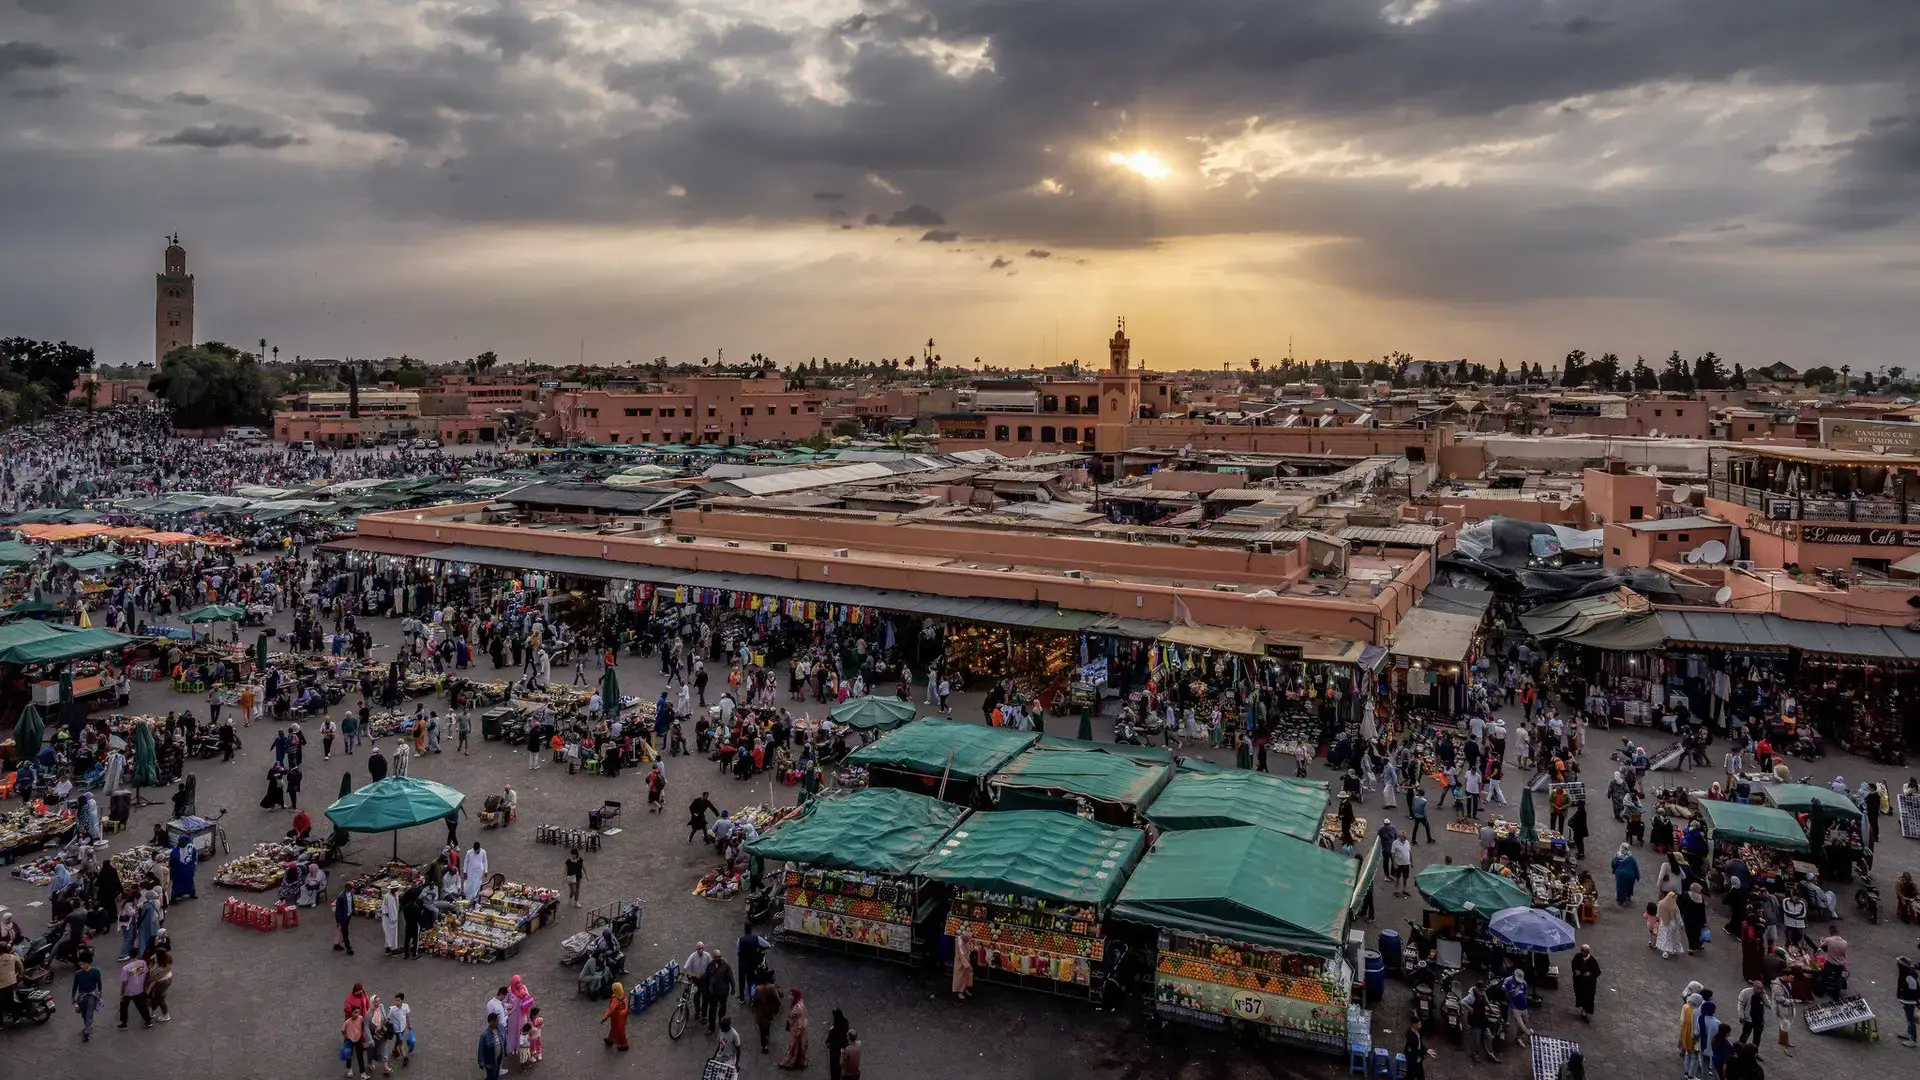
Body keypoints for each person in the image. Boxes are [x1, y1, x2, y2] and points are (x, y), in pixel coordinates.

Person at [71, 950, 104, 1041]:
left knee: (89, 1013)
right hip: (81, 996)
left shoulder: (96, 972)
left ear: (88, 963)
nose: (81, 966)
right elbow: (75, 986)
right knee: (83, 1013)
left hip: (92, 996)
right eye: (80, 964)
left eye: (83, 964)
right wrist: (73, 997)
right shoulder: (78, 974)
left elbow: (99, 983)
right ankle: (88, 1024)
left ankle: (86, 1032)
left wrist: (100, 993)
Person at [117, 951, 151, 1029]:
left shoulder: (126, 968)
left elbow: (124, 982)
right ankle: (148, 1020)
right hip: (139, 989)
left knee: (124, 1008)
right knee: (142, 1006)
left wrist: (122, 992)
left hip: (128, 991)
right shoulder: (143, 963)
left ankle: (124, 1023)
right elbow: (145, 973)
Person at [779, 987, 810, 1070]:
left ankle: (791, 1062)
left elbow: (800, 1020)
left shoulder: (798, 1008)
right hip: (796, 1028)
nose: (790, 996)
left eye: (791, 995)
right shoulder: (796, 1003)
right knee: (797, 1046)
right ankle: (797, 1061)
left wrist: (797, 1032)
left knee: (794, 1046)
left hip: (797, 1030)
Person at [751, 974, 782, 1052]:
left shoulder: (759, 989)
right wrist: (775, 1009)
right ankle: (767, 1036)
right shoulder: (772, 988)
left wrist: (753, 1006)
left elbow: (755, 1000)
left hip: (761, 1011)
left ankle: (764, 1045)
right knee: (768, 1024)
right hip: (769, 1010)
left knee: (762, 1028)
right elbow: (778, 1000)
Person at [1571, 944, 1600, 1023]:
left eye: (1585, 952)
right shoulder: (1578, 957)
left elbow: (1597, 972)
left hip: (1589, 984)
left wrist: (1589, 974)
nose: (1583, 953)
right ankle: (1583, 1009)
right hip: (1580, 983)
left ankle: (1585, 1012)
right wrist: (1575, 971)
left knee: (1588, 998)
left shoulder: (1592, 960)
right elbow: (1573, 965)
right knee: (1580, 995)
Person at [145, 947, 173, 1022]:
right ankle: (152, 1011)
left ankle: (166, 1015)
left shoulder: (158, 967)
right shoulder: (166, 960)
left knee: (160, 998)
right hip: (168, 979)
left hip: (161, 982)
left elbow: (152, 976)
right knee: (158, 997)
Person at [477, 1013, 508, 1080]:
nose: (498, 1022)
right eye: (497, 1020)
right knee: (491, 1076)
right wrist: (481, 1062)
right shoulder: (485, 1035)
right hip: (490, 1061)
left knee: (496, 1074)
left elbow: (504, 1039)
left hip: (499, 1058)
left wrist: (505, 1049)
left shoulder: (501, 1027)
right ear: (491, 1022)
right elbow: (481, 1048)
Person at [600, 981, 629, 1051]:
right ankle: (610, 1040)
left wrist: (604, 1018)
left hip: (617, 1016)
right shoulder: (622, 995)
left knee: (619, 1030)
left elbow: (611, 1010)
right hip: (623, 1014)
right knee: (617, 1029)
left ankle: (623, 1045)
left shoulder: (615, 999)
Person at [825, 1007, 851, 1080]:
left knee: (834, 1064)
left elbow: (829, 1039)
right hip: (843, 1046)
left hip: (834, 1049)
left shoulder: (834, 1029)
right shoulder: (845, 1023)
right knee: (842, 1062)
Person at [345, 1006, 371, 1079]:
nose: (357, 1014)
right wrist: (346, 1036)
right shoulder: (348, 1021)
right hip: (349, 1040)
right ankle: (349, 1069)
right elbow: (342, 1030)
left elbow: (363, 1026)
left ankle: (363, 1074)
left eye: (358, 1012)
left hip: (358, 1039)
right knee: (349, 1055)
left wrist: (362, 1034)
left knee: (360, 1057)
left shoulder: (361, 1018)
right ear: (351, 1013)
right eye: (355, 1012)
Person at [334, 886, 356, 955]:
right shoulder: (341, 897)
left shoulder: (351, 893)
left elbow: (351, 902)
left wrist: (353, 910)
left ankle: (336, 944)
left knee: (342, 930)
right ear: (346, 888)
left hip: (348, 915)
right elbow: (337, 910)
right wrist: (338, 921)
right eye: (350, 888)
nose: (352, 889)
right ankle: (348, 948)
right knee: (345, 932)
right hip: (343, 917)